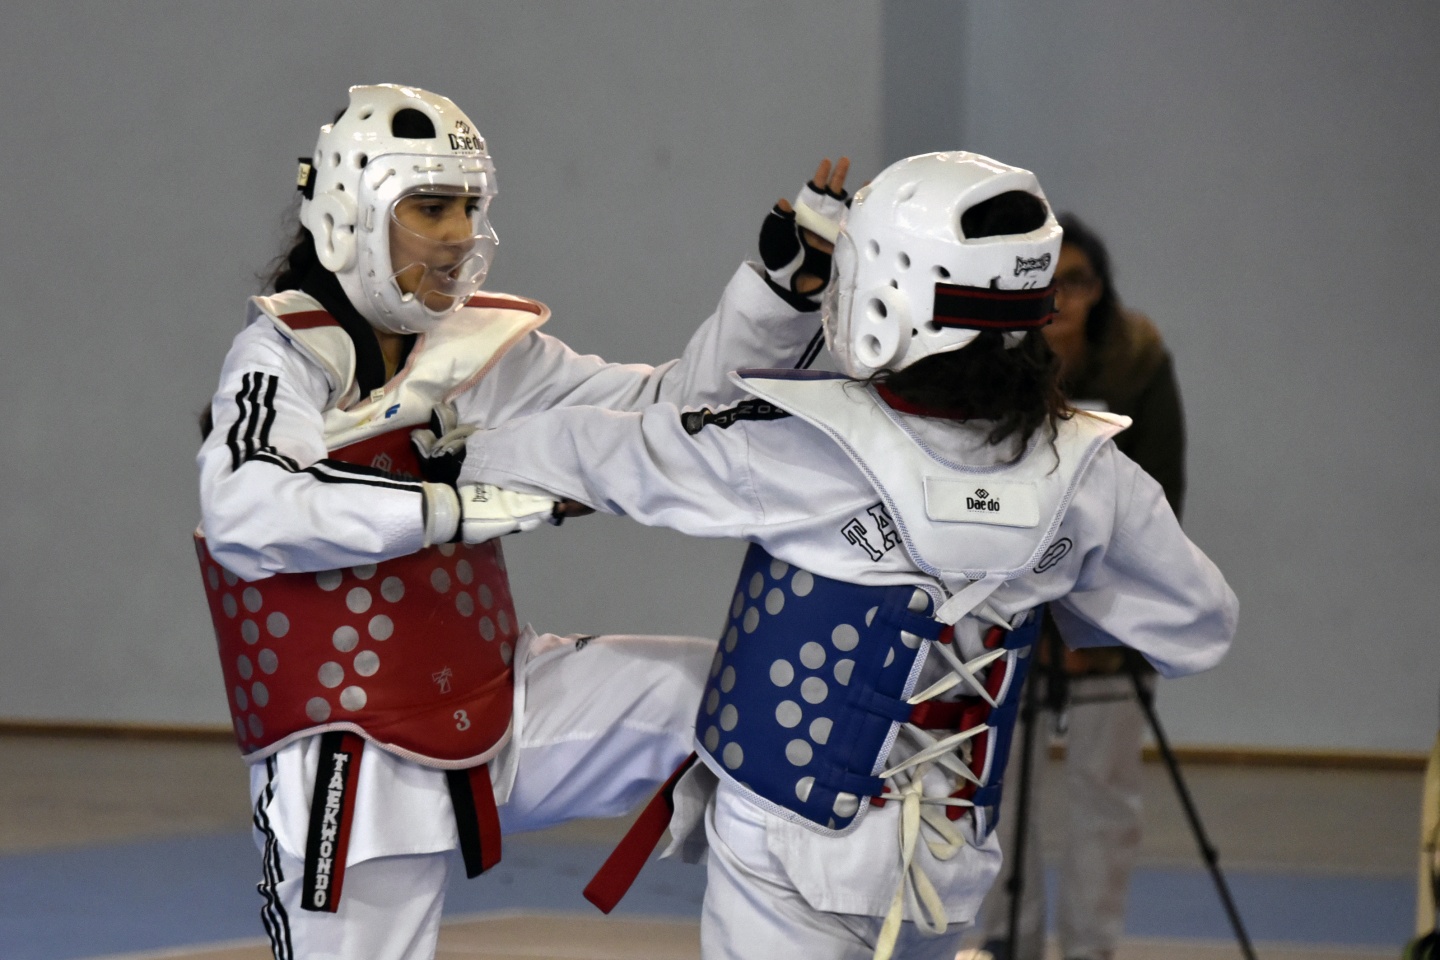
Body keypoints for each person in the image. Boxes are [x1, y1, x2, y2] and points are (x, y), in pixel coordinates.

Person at [452, 151, 1238, 960]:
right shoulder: (1090, 475)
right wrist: (1046, 574)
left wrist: (424, 449)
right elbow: (1196, 626)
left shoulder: (806, 450)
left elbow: (599, 450)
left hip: (791, 855)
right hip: (950, 874)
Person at [194, 83, 850, 960]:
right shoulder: (279, 358)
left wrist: (782, 293)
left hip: (496, 697)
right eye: (432, 207)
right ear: (349, 214)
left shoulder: (475, 350)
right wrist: (456, 508)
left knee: (730, 703)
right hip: (350, 756)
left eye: (469, 206)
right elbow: (244, 505)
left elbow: (670, 409)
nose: (460, 234)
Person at [969, 213, 1188, 960]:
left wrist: (1091, 628)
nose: (1061, 298)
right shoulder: (983, 364)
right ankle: (1006, 938)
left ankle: (1092, 948)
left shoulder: (1139, 361)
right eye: (1048, 281)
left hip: (1112, 620)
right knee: (990, 792)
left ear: (1101, 292)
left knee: (1105, 797)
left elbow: (1156, 501)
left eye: (1079, 281)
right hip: (999, 618)